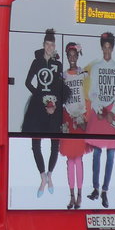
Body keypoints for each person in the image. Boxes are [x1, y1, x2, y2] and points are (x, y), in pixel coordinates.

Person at [22, 29, 67, 198]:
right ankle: (42, 176)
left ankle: (50, 174)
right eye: (47, 44)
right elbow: (27, 82)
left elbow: (59, 86)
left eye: (52, 45)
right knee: (36, 143)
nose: (50, 47)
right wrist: (39, 95)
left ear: (55, 46)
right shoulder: (37, 62)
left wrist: (55, 102)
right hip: (38, 106)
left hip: (54, 105)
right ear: (43, 45)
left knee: (55, 143)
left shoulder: (58, 64)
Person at [84, 31, 115, 208]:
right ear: (101, 48)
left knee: (111, 155)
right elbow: (92, 91)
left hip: (111, 115)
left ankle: (105, 191)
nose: (107, 50)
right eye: (104, 47)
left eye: (109, 47)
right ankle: (95, 188)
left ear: (113, 48)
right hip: (99, 113)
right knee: (97, 154)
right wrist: (99, 109)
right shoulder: (97, 67)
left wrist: (111, 111)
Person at [60, 42, 90, 210]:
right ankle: (71, 195)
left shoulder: (83, 74)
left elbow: (87, 95)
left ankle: (79, 196)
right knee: (70, 160)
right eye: (70, 55)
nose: (72, 58)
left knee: (78, 158)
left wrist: (84, 116)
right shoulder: (63, 76)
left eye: (74, 55)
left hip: (80, 117)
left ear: (77, 56)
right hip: (68, 116)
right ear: (67, 57)